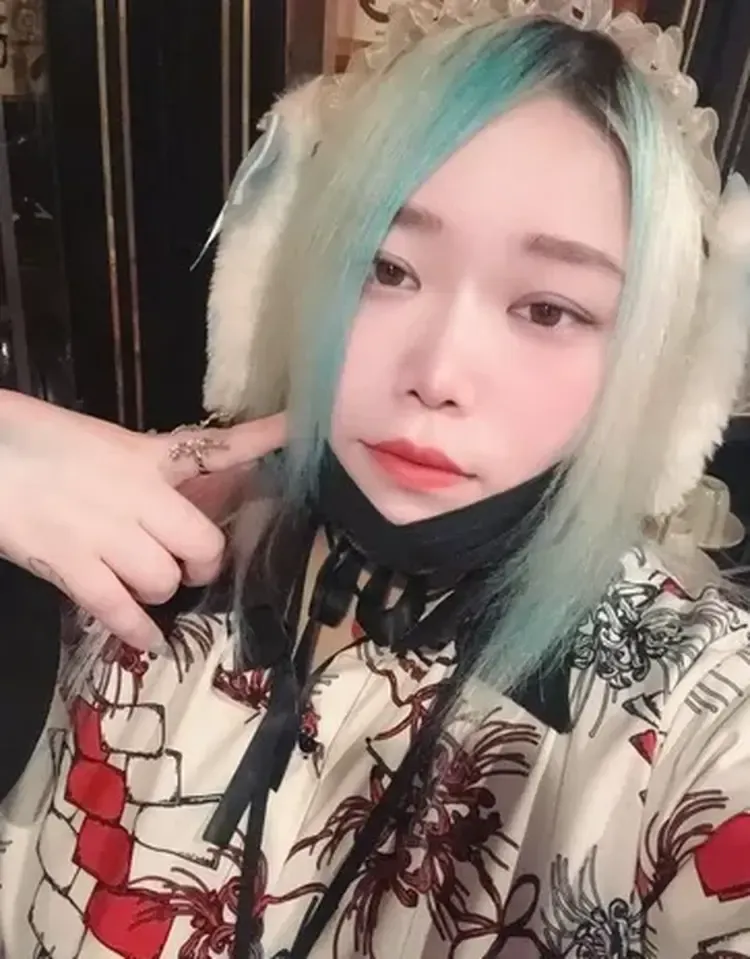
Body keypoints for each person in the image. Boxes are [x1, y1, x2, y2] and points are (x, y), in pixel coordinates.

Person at [1, 1, 750, 957]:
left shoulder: (691, 716)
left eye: (549, 309)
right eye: (387, 267)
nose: (437, 374)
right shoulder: (118, 542)